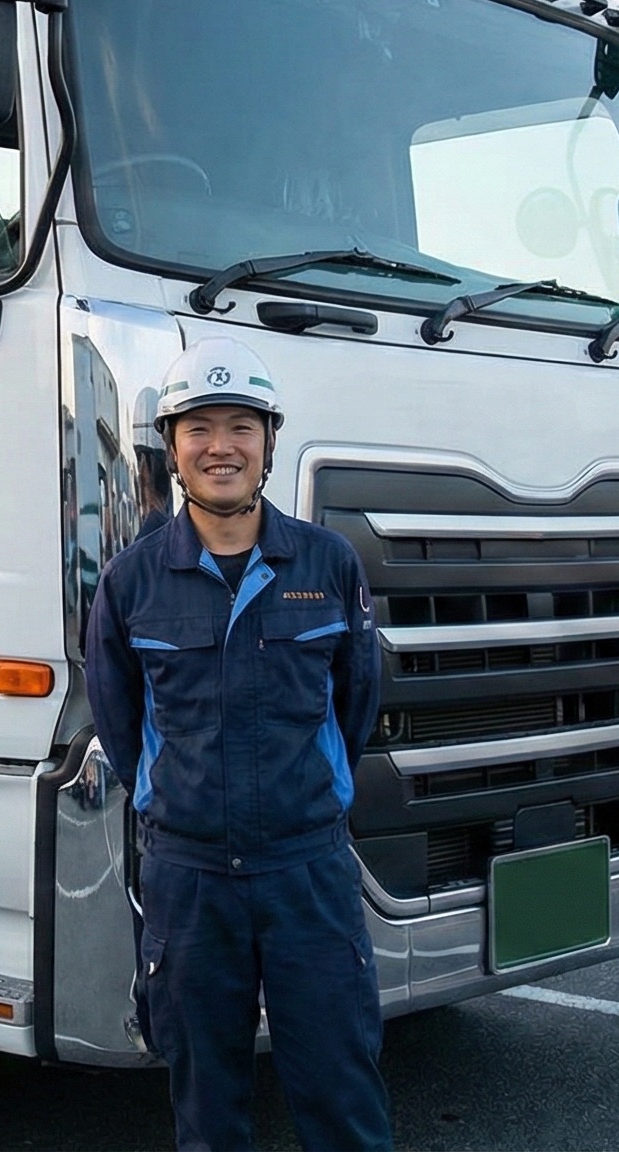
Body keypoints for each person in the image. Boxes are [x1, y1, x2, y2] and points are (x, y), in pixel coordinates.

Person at [83, 337, 391, 1151]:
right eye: (199, 428)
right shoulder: (131, 583)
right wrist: (180, 799)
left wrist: (301, 793)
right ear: (172, 446)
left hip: (306, 875)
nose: (220, 446)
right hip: (191, 885)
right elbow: (120, 724)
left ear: (268, 440)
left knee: (342, 1098)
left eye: (240, 427)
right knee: (206, 1111)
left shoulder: (326, 565)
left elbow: (354, 705)